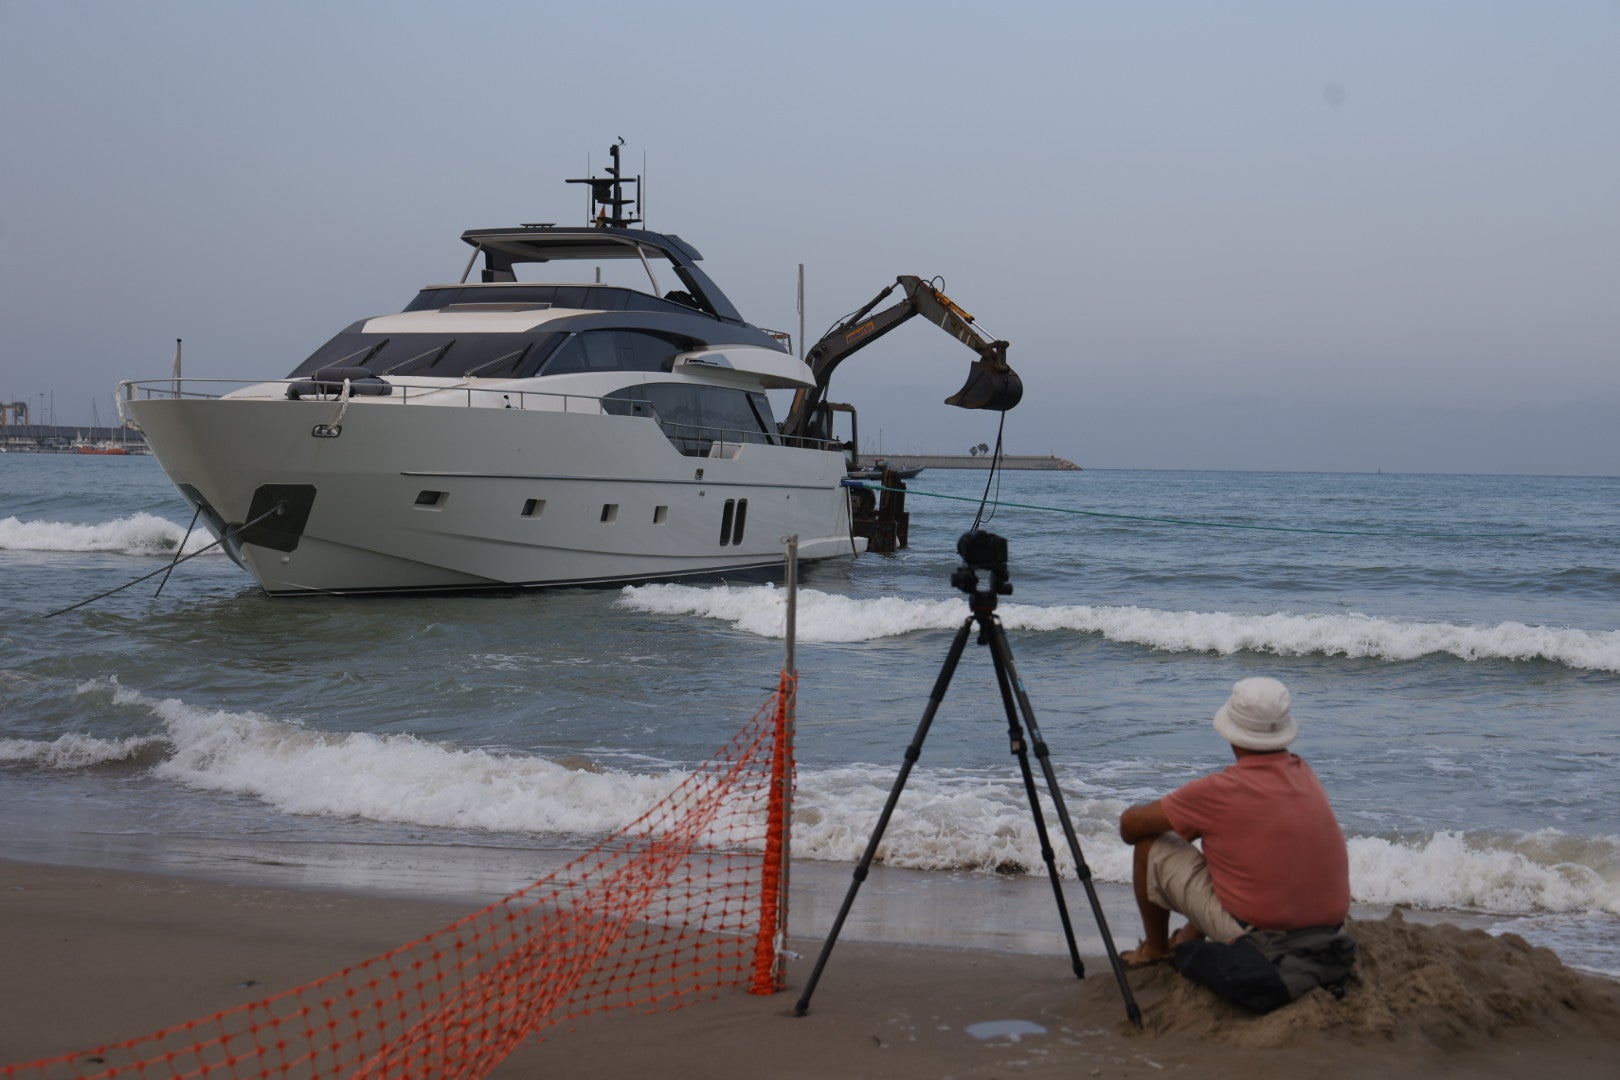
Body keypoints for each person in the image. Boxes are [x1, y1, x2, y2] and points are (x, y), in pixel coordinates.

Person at [1117, 677, 1350, 967]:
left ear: (1233, 735)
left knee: (1150, 845)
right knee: (1236, 849)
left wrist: (1184, 822)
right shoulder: (1305, 773)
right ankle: (1190, 936)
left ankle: (1155, 950)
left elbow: (1130, 826)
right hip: (1332, 930)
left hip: (1265, 940)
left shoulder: (1218, 791)